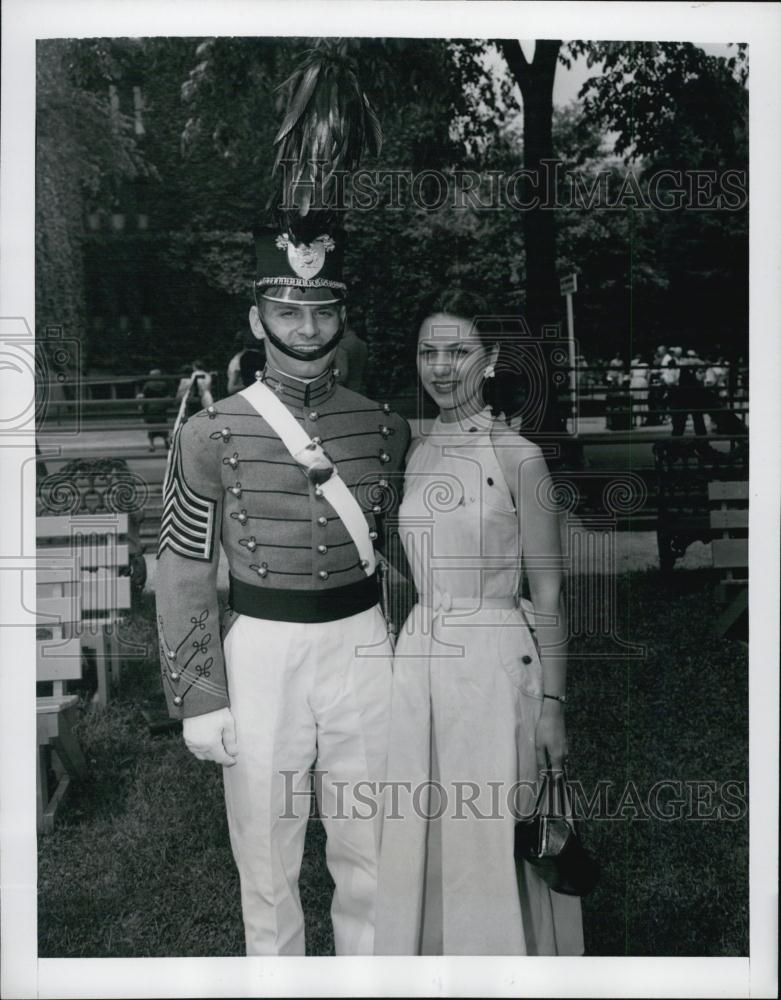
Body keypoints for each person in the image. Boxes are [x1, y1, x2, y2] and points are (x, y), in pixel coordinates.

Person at [155, 222, 410, 956]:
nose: (307, 327)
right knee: (267, 860)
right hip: (261, 654)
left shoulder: (384, 429)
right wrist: (200, 697)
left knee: (372, 848)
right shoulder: (207, 433)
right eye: (288, 310)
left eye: (323, 310)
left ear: (342, 316)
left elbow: (402, 551)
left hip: (363, 647)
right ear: (256, 317)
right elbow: (181, 569)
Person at [374, 291, 583, 956]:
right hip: (418, 660)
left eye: (457, 351)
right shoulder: (413, 451)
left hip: (494, 666)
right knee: (422, 829)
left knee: (492, 829)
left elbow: (548, 593)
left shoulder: (519, 457)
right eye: (428, 352)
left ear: (487, 358)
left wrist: (552, 705)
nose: (441, 367)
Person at [137, 367, 171, 451]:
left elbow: (144, 395)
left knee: (151, 427)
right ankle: (166, 441)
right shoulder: (164, 383)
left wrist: (142, 406)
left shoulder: (148, 384)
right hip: (161, 406)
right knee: (163, 425)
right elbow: (167, 394)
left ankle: (152, 445)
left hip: (150, 406)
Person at [334, 326, 369, 395]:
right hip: (359, 389)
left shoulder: (341, 346)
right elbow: (366, 369)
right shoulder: (362, 344)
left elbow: (342, 373)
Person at [629, 354, 649, 427]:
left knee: (635, 400)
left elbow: (630, 375)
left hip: (635, 381)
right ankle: (642, 420)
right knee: (642, 400)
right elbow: (648, 377)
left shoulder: (633, 364)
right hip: (641, 381)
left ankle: (635, 421)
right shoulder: (645, 365)